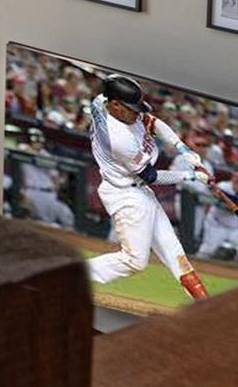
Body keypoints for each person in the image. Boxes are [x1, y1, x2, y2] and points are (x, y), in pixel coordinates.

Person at [86, 74, 214, 301]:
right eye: (131, 108)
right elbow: (151, 176)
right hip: (125, 194)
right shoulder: (118, 139)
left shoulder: (102, 101)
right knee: (135, 261)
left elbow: (153, 122)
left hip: (140, 192)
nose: (137, 113)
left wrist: (183, 149)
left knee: (176, 254)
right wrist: (191, 176)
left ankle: (206, 305)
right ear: (115, 105)